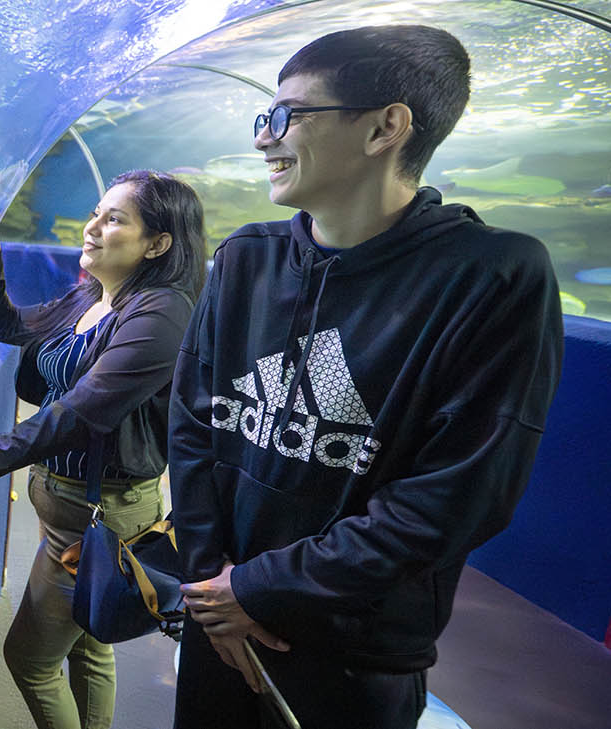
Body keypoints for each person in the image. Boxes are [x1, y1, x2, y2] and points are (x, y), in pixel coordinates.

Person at [166, 24, 564, 729]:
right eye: (265, 117)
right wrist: (213, 588)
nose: (264, 138)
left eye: (288, 115)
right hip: (218, 618)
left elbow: (457, 497)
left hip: (352, 652)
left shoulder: (494, 277)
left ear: (386, 127)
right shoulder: (244, 259)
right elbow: (194, 423)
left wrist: (258, 588)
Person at [0, 169, 206, 729]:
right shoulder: (95, 294)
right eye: (96, 213)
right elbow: (5, 324)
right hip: (71, 503)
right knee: (88, 644)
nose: (92, 227)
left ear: (158, 243)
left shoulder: (161, 313)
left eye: (114, 218)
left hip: (101, 514)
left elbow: (84, 409)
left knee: (30, 660)